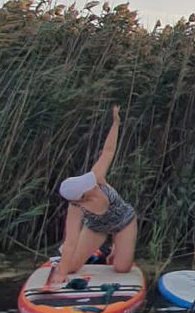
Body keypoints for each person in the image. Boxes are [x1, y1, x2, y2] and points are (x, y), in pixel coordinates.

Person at [47, 106, 137, 287]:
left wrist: (116, 124)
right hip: (97, 228)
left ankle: (117, 248)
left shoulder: (97, 177)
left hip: (124, 222)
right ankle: (75, 256)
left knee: (121, 268)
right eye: (89, 187)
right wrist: (62, 274)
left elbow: (108, 151)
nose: (93, 184)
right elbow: (70, 241)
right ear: (81, 197)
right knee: (71, 266)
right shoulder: (76, 208)